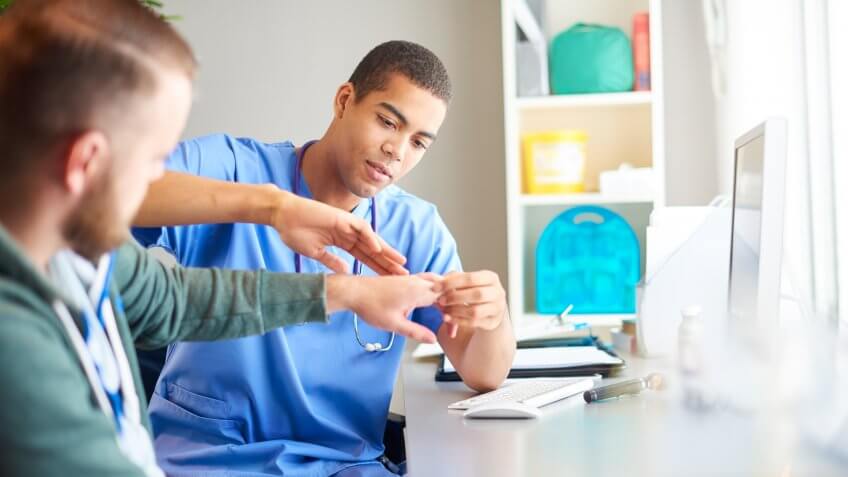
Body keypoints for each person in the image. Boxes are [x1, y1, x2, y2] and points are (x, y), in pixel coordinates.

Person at [0, 2, 445, 476]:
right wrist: (273, 206)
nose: (162, 177)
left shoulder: (82, 255)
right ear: (85, 163)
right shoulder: (17, 344)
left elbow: (173, 300)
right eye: (153, 157)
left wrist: (347, 293)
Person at [133, 40, 517, 476]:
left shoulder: (414, 228)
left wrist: (494, 314)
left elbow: (484, 372)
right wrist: (270, 207)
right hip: (206, 461)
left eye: (418, 142)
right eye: (388, 122)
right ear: (344, 100)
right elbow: (113, 191)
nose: (397, 150)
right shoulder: (235, 168)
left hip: (341, 467)